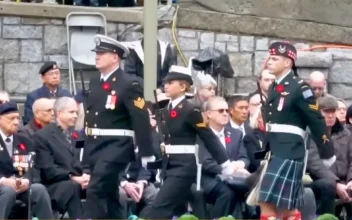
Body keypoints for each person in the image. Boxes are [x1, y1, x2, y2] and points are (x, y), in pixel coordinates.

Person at [257, 41, 336, 220]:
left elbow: (316, 120)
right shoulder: (275, 87)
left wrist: (327, 152)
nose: (269, 61)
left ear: (287, 62)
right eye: (270, 57)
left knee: (275, 203)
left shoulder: (300, 87)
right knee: (276, 205)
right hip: (274, 150)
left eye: (275, 58)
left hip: (290, 151)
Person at [145, 65, 235, 219]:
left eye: (171, 83)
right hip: (169, 166)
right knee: (176, 210)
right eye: (165, 83)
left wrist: (225, 164)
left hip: (184, 167)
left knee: (159, 208)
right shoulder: (165, 110)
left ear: (183, 86)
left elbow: (209, 138)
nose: (166, 86)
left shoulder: (190, 110)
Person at [83, 34, 155, 219]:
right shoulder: (94, 82)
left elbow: (141, 120)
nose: (97, 56)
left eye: (102, 53)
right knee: (110, 195)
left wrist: (146, 153)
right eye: (97, 53)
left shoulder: (129, 84)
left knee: (95, 190)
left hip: (117, 146)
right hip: (95, 146)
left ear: (115, 57)